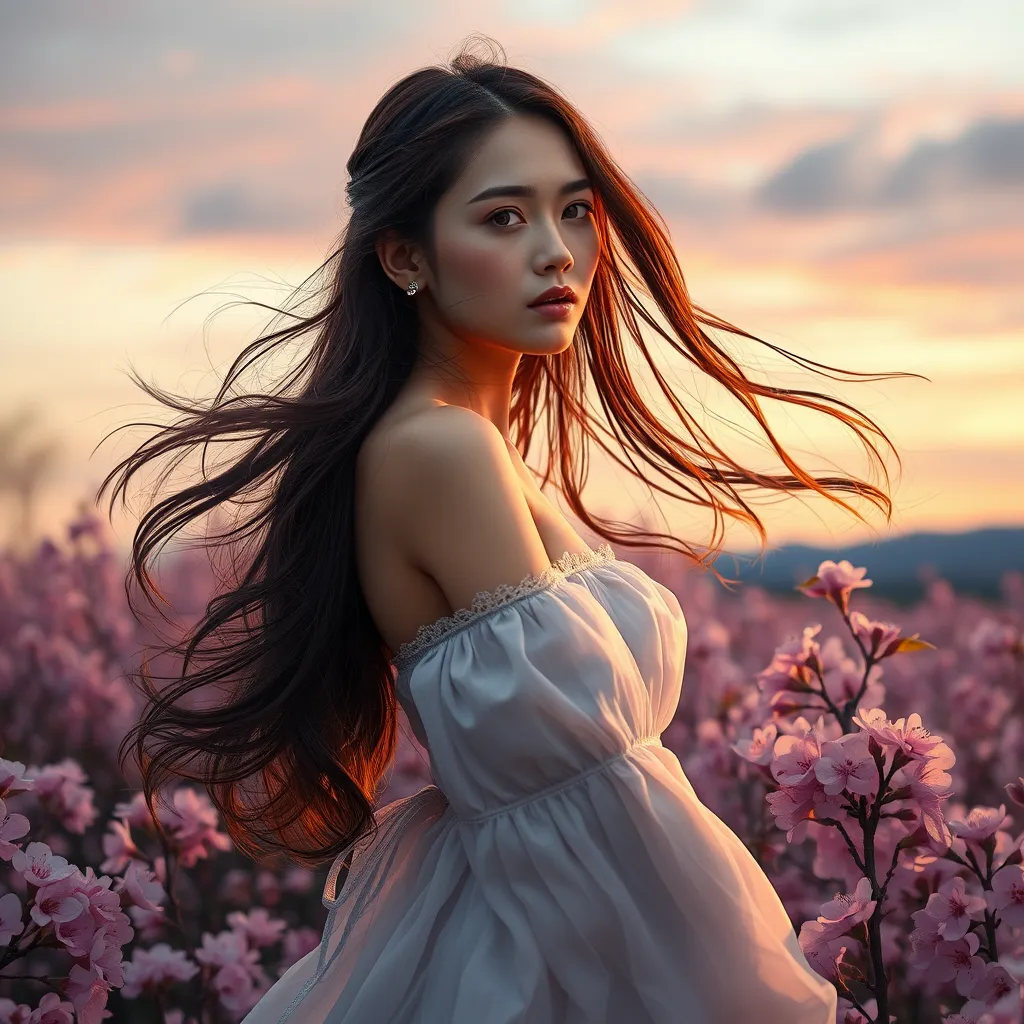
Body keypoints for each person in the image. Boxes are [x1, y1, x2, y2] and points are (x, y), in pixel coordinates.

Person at [101, 34, 911, 1023]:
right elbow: (593, 813)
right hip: (552, 947)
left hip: (525, 921)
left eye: (574, 209)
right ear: (404, 257)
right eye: (502, 216)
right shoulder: (442, 451)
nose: (555, 250)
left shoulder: (469, 442)